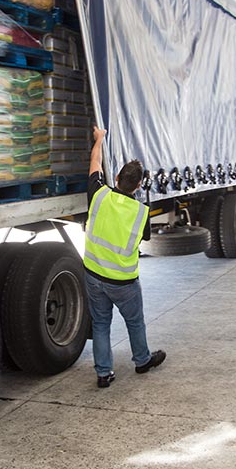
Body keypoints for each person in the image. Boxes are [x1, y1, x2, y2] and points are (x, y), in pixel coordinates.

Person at [84, 126, 166, 388]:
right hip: (123, 282)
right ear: (139, 185)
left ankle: (103, 373)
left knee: (100, 324)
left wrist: (100, 139)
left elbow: (95, 163)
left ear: (116, 176)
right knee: (134, 322)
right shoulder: (141, 211)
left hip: (94, 275)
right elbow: (146, 239)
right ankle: (142, 361)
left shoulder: (99, 194)